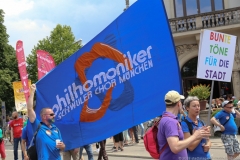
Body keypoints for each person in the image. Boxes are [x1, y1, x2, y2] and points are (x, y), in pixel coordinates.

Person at [157, 90, 211, 160]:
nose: (197, 108)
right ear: (179, 103)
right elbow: (175, 147)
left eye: (198, 105)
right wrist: (196, 136)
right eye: (194, 106)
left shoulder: (168, 119)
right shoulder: (170, 121)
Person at [27, 84, 65, 159]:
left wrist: (62, 146)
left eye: (54, 114)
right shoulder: (38, 126)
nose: (54, 116)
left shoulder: (56, 129)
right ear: (44, 116)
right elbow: (30, 109)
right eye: (51, 114)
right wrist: (32, 92)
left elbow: (62, 147)